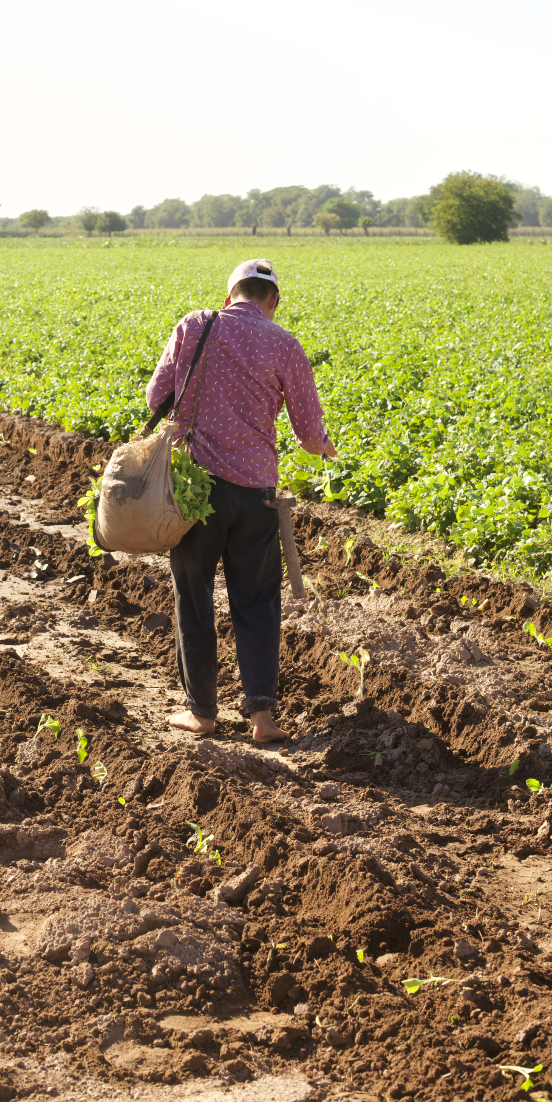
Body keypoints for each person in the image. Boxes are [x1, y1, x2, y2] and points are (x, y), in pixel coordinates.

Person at [145, 259, 337, 744]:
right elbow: (310, 436)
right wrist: (325, 445)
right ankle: (262, 719)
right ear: (273, 301)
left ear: (230, 295)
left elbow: (155, 397)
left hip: (194, 493)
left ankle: (202, 713)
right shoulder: (286, 344)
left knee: (194, 598)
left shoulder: (195, 325)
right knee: (256, 602)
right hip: (256, 495)